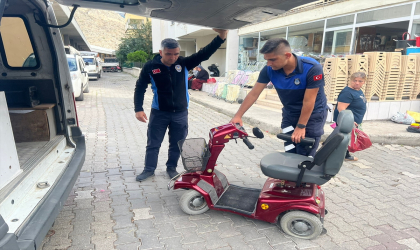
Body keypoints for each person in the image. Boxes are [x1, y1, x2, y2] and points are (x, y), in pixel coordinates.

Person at [134, 29, 228, 181]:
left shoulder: (183, 63)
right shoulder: (150, 66)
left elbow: (204, 53)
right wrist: (138, 109)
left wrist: (221, 37)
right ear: (161, 52)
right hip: (159, 112)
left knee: (177, 143)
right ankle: (149, 169)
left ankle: (171, 168)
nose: (173, 57)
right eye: (169, 54)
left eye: (176, 54)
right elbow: (140, 88)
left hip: (180, 113)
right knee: (153, 143)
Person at [230, 38, 328, 157]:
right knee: (290, 147)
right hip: (289, 113)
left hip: (312, 115)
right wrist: (238, 116)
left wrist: (301, 126)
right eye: (266, 60)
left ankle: (300, 175)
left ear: (287, 55)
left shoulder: (312, 68)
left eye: (272, 59)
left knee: (304, 153)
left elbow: (309, 101)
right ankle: (287, 175)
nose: (269, 64)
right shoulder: (269, 70)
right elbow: (254, 94)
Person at [333, 72, 367, 161]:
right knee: (345, 139)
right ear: (351, 80)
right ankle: (345, 155)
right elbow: (341, 109)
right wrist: (349, 121)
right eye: (355, 80)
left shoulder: (358, 90)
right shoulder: (347, 92)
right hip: (347, 121)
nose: (357, 83)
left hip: (353, 120)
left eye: (360, 81)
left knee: (341, 137)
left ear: (364, 82)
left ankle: (328, 147)